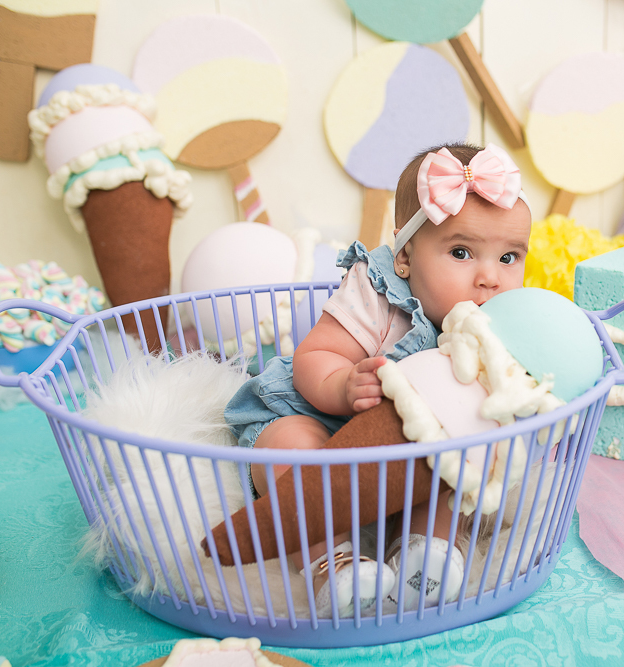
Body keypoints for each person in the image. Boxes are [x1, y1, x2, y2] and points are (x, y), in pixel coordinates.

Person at [223, 142, 532, 617]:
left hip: (416, 446)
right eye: (462, 252)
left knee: (458, 463)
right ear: (405, 255)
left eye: (509, 258)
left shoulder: (503, 322)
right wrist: (342, 385)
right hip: (326, 421)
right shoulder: (379, 290)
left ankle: (424, 551)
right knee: (290, 447)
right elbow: (316, 355)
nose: (490, 278)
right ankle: (335, 563)